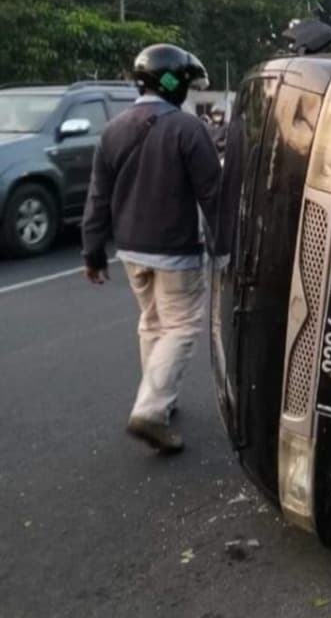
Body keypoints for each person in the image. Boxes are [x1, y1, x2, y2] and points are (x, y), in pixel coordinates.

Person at [81, 44, 223, 454]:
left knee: (152, 322)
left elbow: (97, 198)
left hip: (131, 252)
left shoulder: (113, 129)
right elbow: (212, 196)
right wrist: (227, 249)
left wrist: (92, 253)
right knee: (180, 327)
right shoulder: (187, 129)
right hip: (175, 251)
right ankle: (151, 407)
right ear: (174, 82)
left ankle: (161, 398)